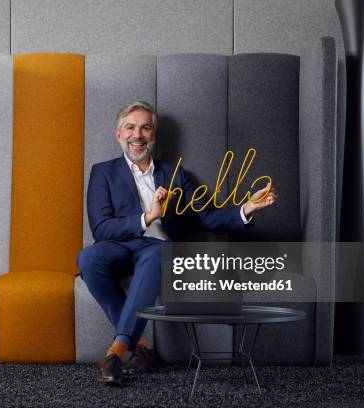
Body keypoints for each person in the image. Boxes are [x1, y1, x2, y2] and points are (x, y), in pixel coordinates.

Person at [76, 101, 277, 386]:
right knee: (87, 259)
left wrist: (247, 209)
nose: (138, 134)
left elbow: (208, 217)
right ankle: (143, 345)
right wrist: (147, 217)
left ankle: (116, 352)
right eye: (130, 127)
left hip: (159, 249)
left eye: (145, 127)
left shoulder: (176, 174)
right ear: (118, 134)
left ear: (154, 135)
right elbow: (101, 228)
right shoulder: (102, 172)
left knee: (155, 254)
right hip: (120, 245)